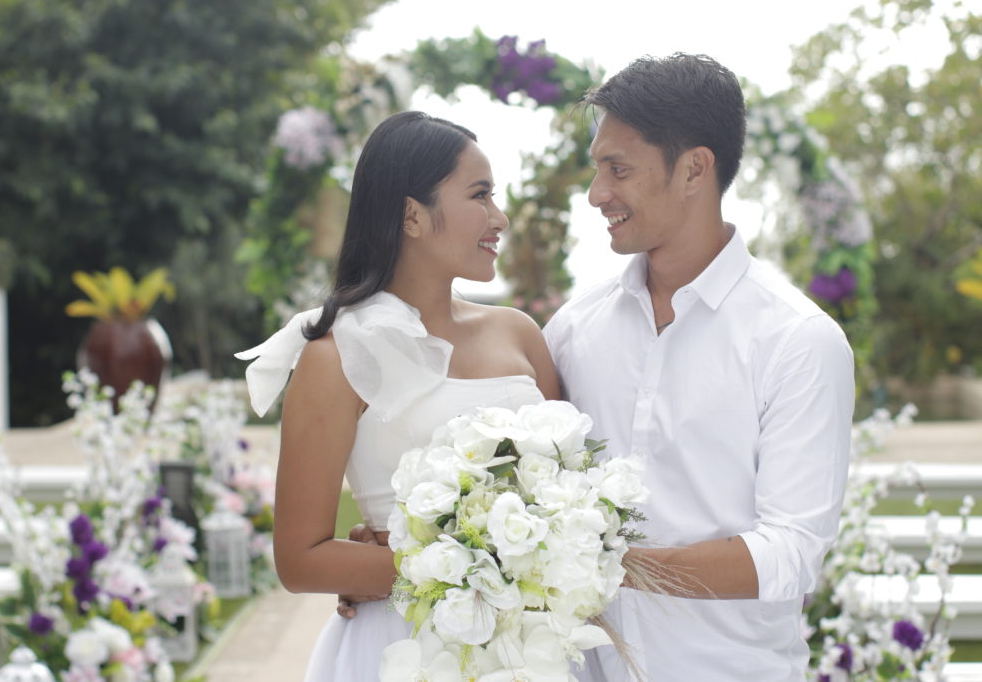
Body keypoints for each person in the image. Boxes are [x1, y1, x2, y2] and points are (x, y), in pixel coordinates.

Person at [542, 54, 856, 681]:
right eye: (597, 168)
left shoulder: (798, 340)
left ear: (694, 169)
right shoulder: (572, 331)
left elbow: (789, 552)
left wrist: (605, 562)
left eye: (618, 169)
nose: (596, 193)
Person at [234, 110, 559, 681]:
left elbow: (570, 490)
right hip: (404, 650)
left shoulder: (520, 335)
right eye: (480, 195)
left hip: (532, 649)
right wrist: (459, 571)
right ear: (412, 214)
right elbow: (300, 559)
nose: (499, 217)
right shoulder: (337, 355)